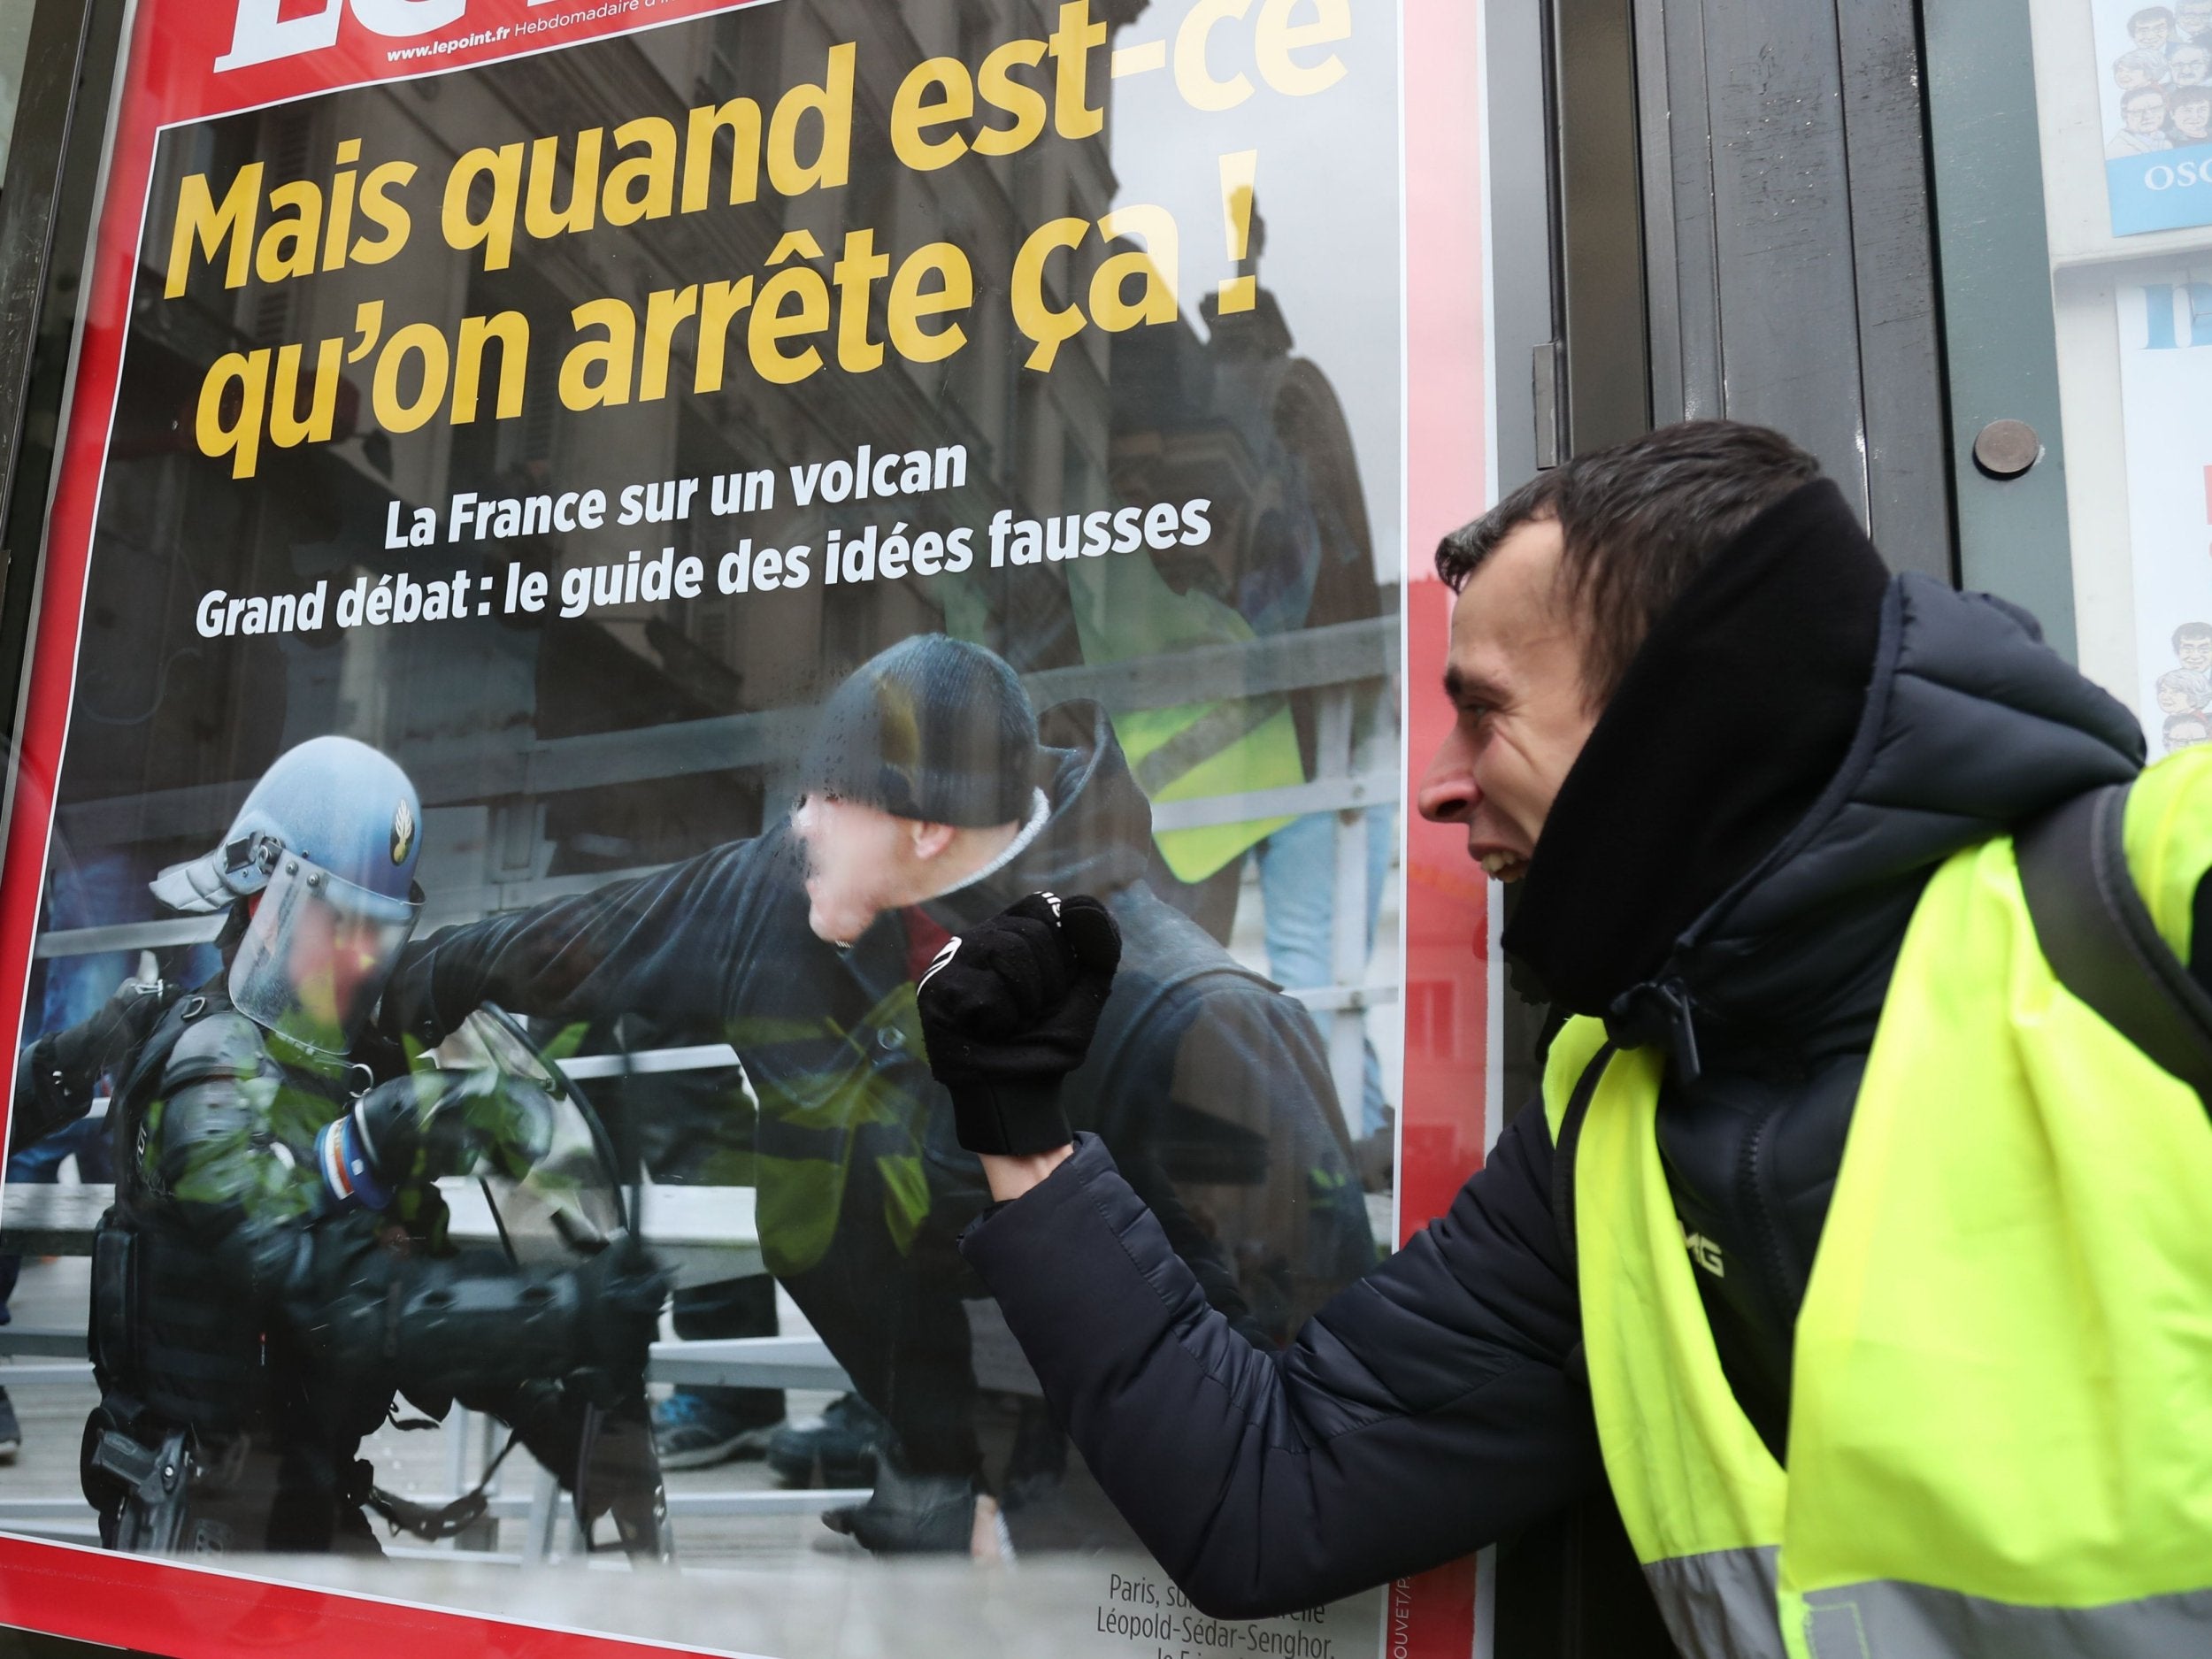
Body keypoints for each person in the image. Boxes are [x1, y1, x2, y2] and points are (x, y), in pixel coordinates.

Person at [928, 421, 2212, 1655]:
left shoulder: (2155, 908)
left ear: (1685, 716)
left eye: (1483, 709)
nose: (1435, 779)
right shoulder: (1609, 1110)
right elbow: (1271, 1486)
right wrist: (1018, 1125)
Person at [380, 634, 1373, 1554]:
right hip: (930, 1460)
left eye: (826, 799)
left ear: (928, 829)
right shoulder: (788, 898)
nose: (797, 823)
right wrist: (381, 993)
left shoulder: (1185, 1016)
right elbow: (591, 940)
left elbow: (1319, 1396)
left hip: (1115, 1525)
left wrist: (1057, 1529)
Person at [80, 736, 667, 1555]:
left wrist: (570, 1426)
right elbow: (327, 1293)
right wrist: (561, 1317)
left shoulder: (335, 1068)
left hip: (304, 1508)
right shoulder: (208, 1071)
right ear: (261, 901)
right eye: (342, 922)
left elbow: (407, 1289)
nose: (363, 954)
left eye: (378, 929)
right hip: (200, 1538)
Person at [2111, 85, 2173, 155]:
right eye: (2138, 111)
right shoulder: (2119, 150)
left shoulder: (2165, 142)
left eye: (2155, 108)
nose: (2148, 116)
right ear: (2125, 116)